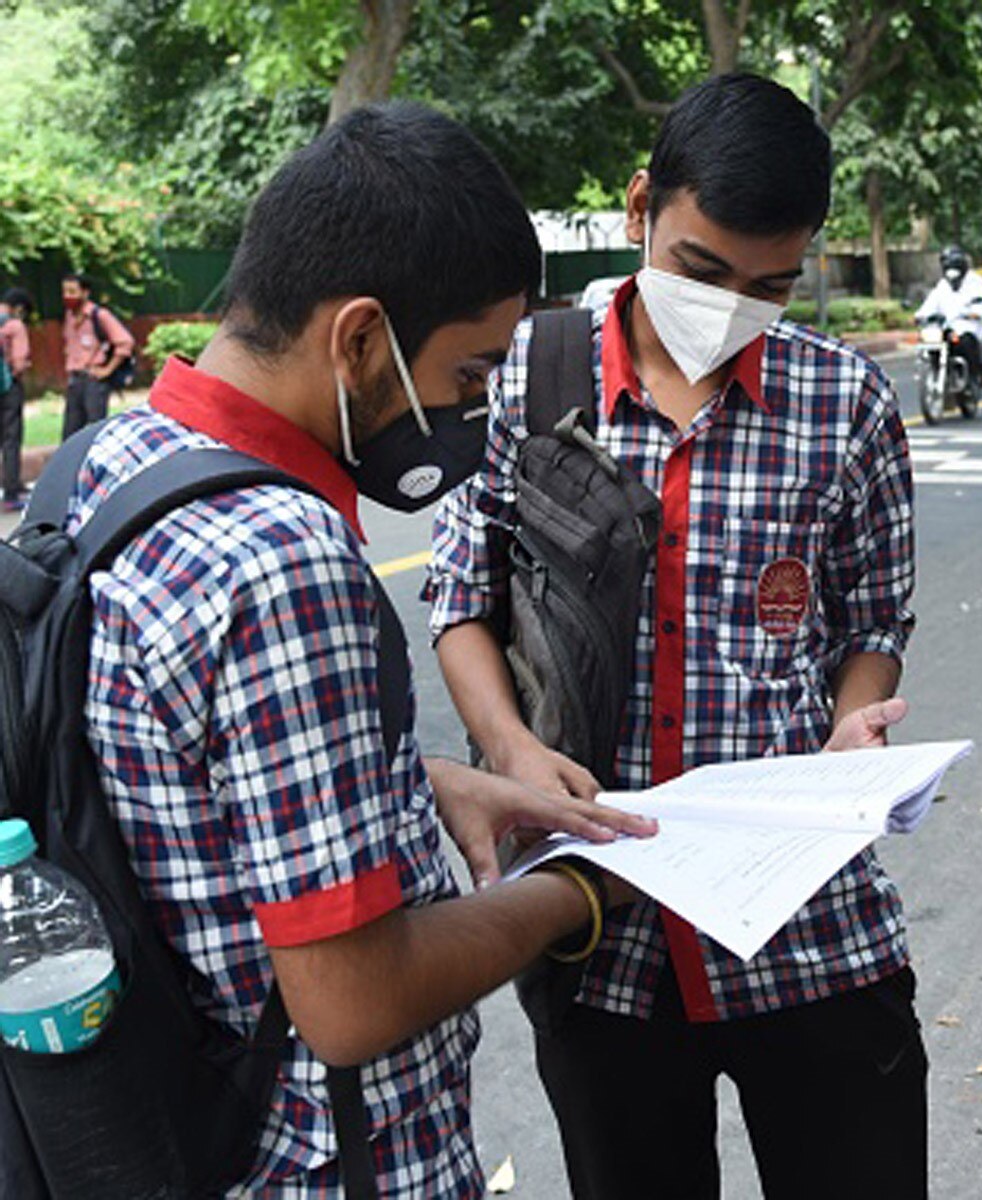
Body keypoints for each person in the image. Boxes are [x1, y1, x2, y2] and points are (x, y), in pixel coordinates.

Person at [62, 102, 654, 1196]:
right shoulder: (283, 562)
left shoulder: (108, 464)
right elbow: (352, 1002)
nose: (473, 412)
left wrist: (422, 783)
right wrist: (587, 889)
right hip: (330, 1163)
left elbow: (171, 764)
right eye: (468, 377)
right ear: (362, 338)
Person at [426, 73, 925, 1200]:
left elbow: (871, 621)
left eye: (770, 285)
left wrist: (853, 737)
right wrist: (509, 748)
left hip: (809, 929)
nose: (731, 304)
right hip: (603, 937)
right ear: (641, 205)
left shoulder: (845, 403)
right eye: (702, 268)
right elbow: (461, 598)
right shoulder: (524, 374)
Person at [60, 272, 135, 440]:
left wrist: (107, 370)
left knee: (94, 431)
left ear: (85, 293)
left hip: (94, 380)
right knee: (70, 433)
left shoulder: (99, 315)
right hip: (75, 379)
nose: (67, 296)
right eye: (65, 292)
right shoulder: (69, 316)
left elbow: (125, 342)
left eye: (72, 292)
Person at [915, 244, 982, 388]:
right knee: (929, 343)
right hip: (945, 327)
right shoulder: (942, 285)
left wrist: (974, 312)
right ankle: (937, 371)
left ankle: (978, 374)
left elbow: (981, 302)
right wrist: (920, 315)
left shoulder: (976, 282)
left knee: (976, 341)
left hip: (968, 326)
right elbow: (931, 303)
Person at [0, 287, 33, 512]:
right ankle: (11, 492)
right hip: (8, 388)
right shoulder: (14, 325)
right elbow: (19, 361)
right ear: (19, 308)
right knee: (11, 438)